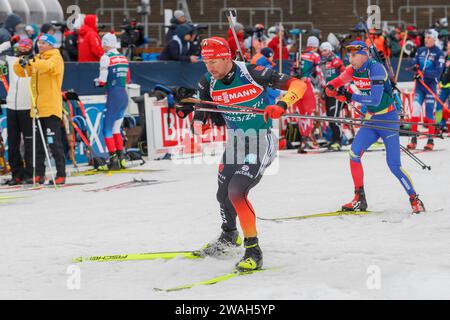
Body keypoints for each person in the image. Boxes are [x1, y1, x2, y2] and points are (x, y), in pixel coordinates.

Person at [182, 37, 307, 271]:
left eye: (214, 61)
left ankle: (253, 250)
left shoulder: (252, 73)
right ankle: (229, 236)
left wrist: (281, 104)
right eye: (206, 62)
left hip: (260, 140)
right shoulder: (207, 81)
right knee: (222, 195)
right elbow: (202, 108)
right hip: (236, 143)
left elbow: (299, 85)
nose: (210, 68)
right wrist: (199, 124)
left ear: (227, 57)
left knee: (237, 191)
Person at [325, 41, 425, 214]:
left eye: (354, 55)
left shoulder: (376, 69)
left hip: (388, 120)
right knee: (354, 154)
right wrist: (332, 88)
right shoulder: (352, 70)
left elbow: (375, 100)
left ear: (364, 54)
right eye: (349, 55)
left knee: (393, 165)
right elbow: (336, 82)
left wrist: (349, 95)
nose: (351, 59)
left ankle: (414, 198)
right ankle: (359, 198)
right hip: (371, 121)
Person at [13, 34, 66, 185]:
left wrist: (32, 60)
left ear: (50, 45)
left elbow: (47, 67)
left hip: (50, 107)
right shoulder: (37, 58)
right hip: (36, 109)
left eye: (43, 43)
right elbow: (20, 72)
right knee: (38, 144)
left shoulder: (55, 57)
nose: (40, 45)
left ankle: (61, 173)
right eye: (39, 43)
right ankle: (40, 174)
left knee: (53, 142)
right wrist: (20, 61)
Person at [94, 33, 130, 170]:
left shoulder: (105, 57)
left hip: (113, 96)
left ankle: (113, 160)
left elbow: (102, 80)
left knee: (107, 129)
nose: (102, 47)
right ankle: (122, 159)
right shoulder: (123, 57)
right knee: (116, 129)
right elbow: (126, 78)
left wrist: (97, 82)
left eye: (103, 44)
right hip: (123, 95)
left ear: (106, 44)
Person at [407, 29, 445, 150]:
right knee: (415, 111)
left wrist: (423, 73)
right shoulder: (421, 50)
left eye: (429, 37)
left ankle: (430, 140)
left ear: (434, 39)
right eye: (425, 37)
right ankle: (413, 139)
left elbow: (438, 72)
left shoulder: (439, 53)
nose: (426, 39)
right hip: (419, 86)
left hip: (431, 87)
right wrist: (415, 68)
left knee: (429, 112)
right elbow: (415, 63)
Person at [3, 39, 33, 185]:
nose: (23, 48)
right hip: (12, 106)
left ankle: (30, 173)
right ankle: (17, 174)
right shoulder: (12, 59)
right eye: (21, 45)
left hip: (27, 106)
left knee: (29, 143)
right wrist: (9, 42)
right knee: (13, 143)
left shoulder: (34, 61)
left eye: (27, 46)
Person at [320, 41, 346, 150]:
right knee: (330, 118)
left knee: (334, 118)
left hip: (336, 92)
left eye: (325, 50)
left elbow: (345, 74)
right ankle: (334, 139)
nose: (323, 53)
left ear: (330, 50)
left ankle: (338, 141)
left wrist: (341, 88)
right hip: (327, 92)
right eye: (321, 51)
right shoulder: (322, 62)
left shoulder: (336, 60)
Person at [437, 41, 450, 132]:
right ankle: (439, 124)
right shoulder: (445, 57)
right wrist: (440, 81)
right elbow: (442, 70)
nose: (448, 49)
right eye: (448, 47)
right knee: (439, 105)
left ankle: (444, 124)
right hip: (444, 86)